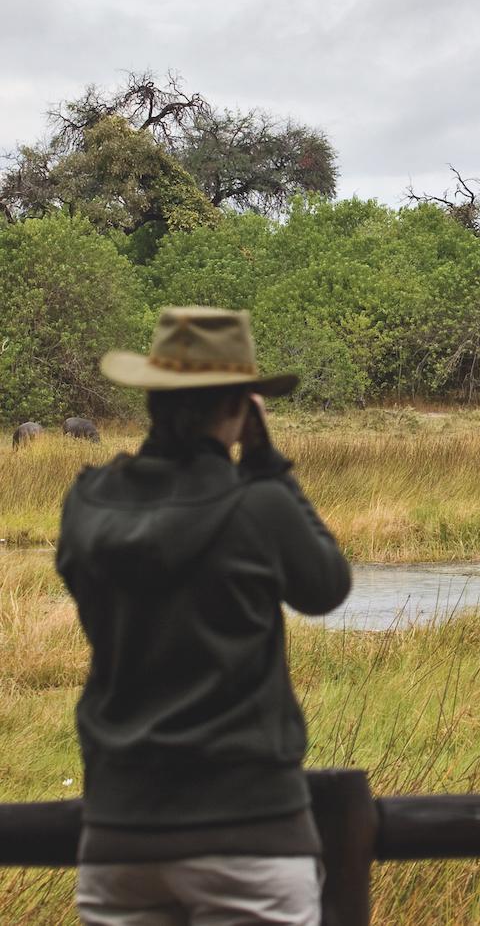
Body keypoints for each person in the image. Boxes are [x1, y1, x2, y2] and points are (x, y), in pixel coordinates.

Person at [56, 307, 352, 925]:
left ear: (152, 400)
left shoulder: (88, 503)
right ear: (242, 407)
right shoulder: (259, 505)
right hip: (250, 830)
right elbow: (326, 587)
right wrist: (268, 464)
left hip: (120, 830)